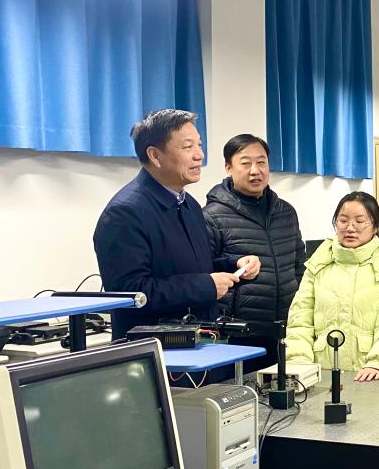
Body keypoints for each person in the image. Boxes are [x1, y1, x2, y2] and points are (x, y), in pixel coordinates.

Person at [94, 109, 260, 339]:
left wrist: (235, 265)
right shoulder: (124, 213)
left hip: (199, 340)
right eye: (187, 146)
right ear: (155, 155)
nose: (199, 155)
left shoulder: (189, 204)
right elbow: (131, 293)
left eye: (199, 145)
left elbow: (194, 266)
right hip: (156, 348)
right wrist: (206, 286)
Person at [203, 134, 306, 368]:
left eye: (261, 162)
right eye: (245, 163)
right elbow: (205, 271)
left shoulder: (286, 212)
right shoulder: (211, 216)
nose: (255, 171)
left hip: (287, 329)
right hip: (239, 335)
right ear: (228, 167)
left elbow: (299, 265)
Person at [285, 192, 379, 381]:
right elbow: (300, 319)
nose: (350, 228)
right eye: (343, 221)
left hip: (373, 373)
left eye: (360, 221)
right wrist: (299, 362)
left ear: (375, 226)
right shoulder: (319, 261)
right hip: (322, 373)